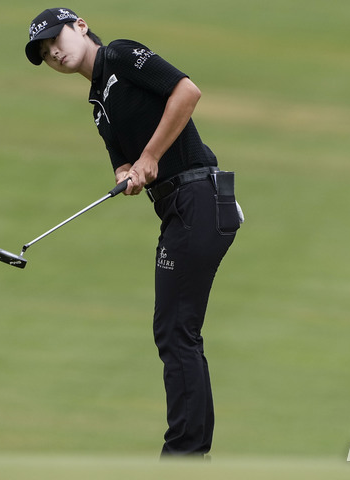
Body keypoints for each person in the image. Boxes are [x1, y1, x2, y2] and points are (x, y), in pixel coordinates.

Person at [24, 8, 241, 458]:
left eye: (56, 39)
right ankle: (189, 453)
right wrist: (129, 172)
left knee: (176, 331)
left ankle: (184, 455)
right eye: (44, 53)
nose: (54, 53)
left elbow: (187, 91)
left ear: (80, 27)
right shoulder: (98, 107)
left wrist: (151, 156)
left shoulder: (120, 55)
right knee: (174, 331)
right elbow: (124, 164)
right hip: (179, 208)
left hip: (198, 197)